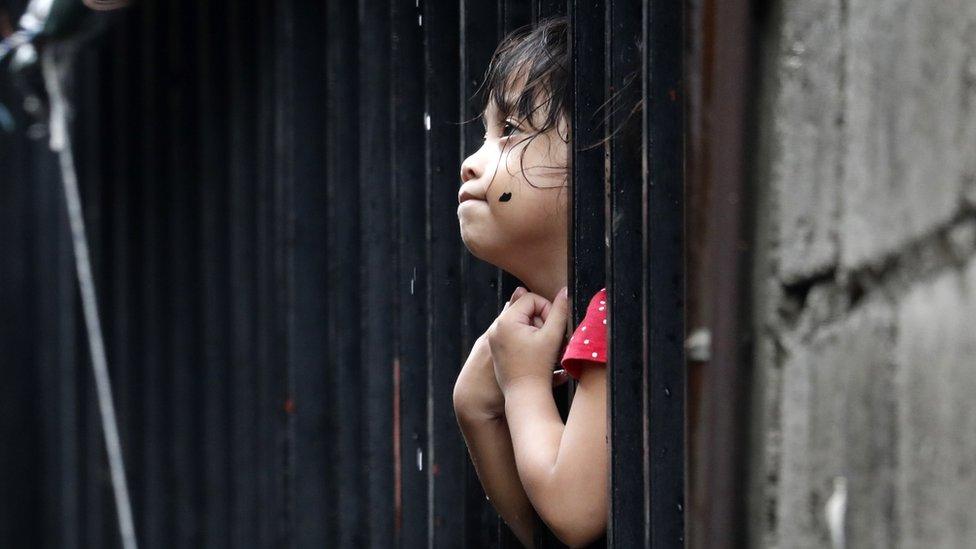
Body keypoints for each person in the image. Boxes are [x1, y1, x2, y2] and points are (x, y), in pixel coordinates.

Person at [452, 16, 608, 548]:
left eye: (511, 131)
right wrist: (476, 407)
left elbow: (573, 512)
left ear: (600, 160)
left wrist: (521, 386)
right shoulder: (590, 315)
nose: (471, 163)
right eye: (487, 133)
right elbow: (540, 535)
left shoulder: (619, 311)